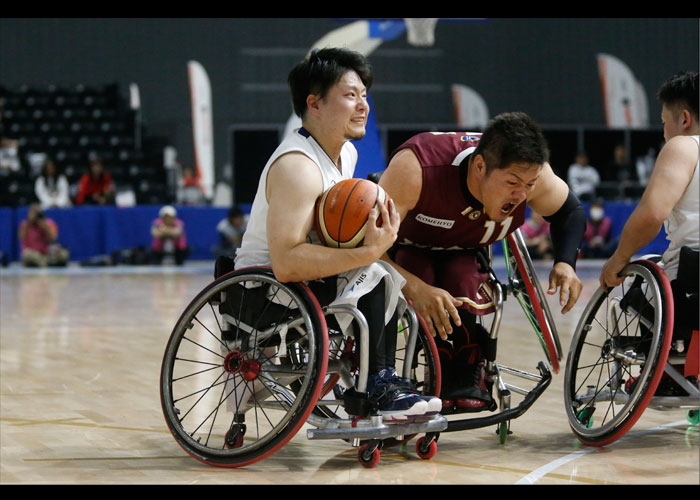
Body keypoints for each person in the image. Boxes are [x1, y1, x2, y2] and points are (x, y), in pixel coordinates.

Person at [232, 47, 439, 422]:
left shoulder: (346, 155)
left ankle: (385, 379)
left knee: (385, 273)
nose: (363, 106)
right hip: (262, 291)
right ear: (315, 104)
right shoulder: (297, 166)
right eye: (350, 95)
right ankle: (378, 382)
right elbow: (286, 262)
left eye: (364, 95)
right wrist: (365, 254)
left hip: (307, 282)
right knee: (376, 275)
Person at [378, 112, 586, 413]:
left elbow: (570, 212)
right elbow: (367, 248)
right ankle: (401, 376)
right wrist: (415, 288)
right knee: (418, 273)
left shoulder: (531, 178)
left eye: (529, 184)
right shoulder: (416, 168)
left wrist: (565, 262)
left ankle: (462, 372)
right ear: (479, 167)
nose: (522, 195)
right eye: (512, 183)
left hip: (464, 248)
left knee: (462, 280)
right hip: (405, 246)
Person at [600, 71, 699, 361]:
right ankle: (690, 368)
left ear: (683, 119)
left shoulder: (684, 145)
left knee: (641, 278)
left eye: (664, 122)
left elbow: (652, 214)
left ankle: (668, 367)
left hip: (693, 289)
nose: (665, 131)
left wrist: (619, 258)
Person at [18, 202, 70, 267]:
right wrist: (29, 222)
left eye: (38, 212)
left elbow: (54, 237)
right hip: (34, 254)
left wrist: (44, 226)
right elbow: (21, 238)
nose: (36, 215)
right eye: (34, 212)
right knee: (26, 254)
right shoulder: (25, 225)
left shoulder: (49, 223)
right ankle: (48, 264)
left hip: (48, 253)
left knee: (64, 253)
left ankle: (46, 262)